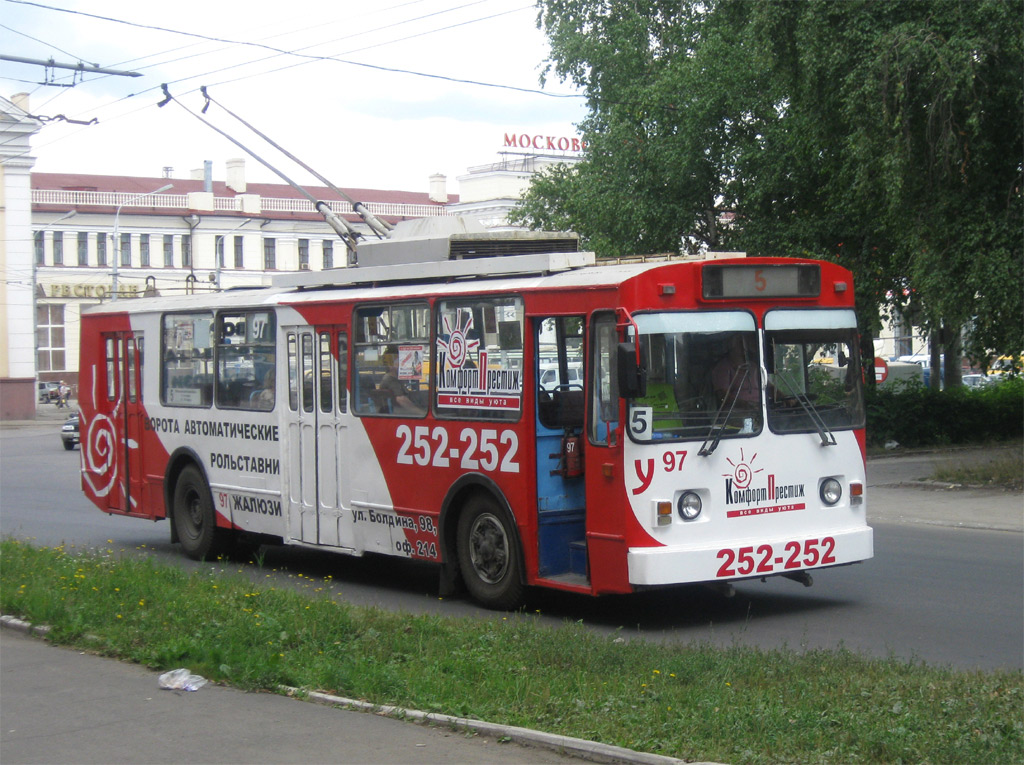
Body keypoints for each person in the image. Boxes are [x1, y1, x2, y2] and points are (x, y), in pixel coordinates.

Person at [712, 335, 760, 408]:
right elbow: (723, 396)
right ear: (731, 346)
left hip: (761, 410)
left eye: (746, 343)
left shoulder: (754, 366)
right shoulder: (723, 367)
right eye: (740, 343)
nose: (744, 346)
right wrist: (745, 405)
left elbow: (768, 387)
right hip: (736, 414)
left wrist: (782, 397)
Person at [378, 349, 424, 415]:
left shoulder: (397, 378)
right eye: (398, 361)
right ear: (390, 365)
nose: (402, 364)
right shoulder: (390, 380)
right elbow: (401, 400)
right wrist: (421, 413)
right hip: (400, 413)